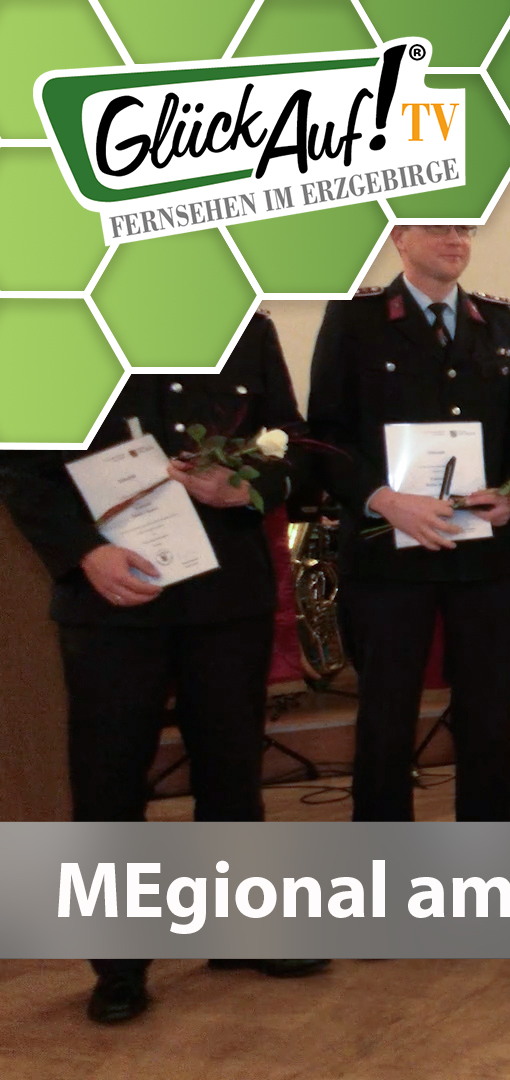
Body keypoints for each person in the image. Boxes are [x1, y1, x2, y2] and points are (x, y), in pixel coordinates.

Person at [1, 312, 328, 1023]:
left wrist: (252, 486)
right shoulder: (60, 324)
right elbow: (20, 463)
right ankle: (118, 964)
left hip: (225, 589)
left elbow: (294, 441)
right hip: (112, 594)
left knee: (232, 769)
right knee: (109, 779)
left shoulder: (245, 328)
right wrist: (84, 552)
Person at [307, 223, 510, 822]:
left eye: (464, 228)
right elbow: (326, 434)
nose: (455, 239)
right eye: (438, 227)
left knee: (488, 718)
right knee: (387, 718)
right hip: (389, 551)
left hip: (483, 552)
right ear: (399, 238)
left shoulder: (498, 320)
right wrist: (382, 498)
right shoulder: (355, 317)